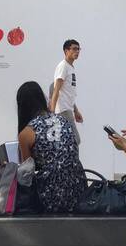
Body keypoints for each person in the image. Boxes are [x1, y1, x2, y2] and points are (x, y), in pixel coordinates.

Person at [17, 80, 87, 212]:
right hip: (79, 192)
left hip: (51, 197)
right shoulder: (63, 121)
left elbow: (27, 174)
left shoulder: (26, 133)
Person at [52, 39, 82, 146]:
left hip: (68, 109)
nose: (77, 51)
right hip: (63, 111)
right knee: (74, 140)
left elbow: (68, 93)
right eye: (74, 49)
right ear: (66, 51)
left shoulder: (70, 67)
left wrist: (76, 110)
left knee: (67, 142)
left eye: (78, 49)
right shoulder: (63, 66)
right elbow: (56, 90)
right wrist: (52, 112)